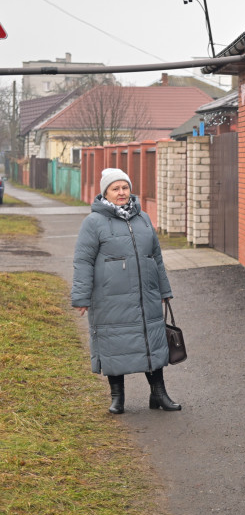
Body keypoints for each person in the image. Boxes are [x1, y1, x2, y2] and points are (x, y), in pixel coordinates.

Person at [72, 167, 181, 414]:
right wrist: (81, 296)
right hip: (109, 298)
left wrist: (165, 289)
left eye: (125, 187)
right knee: (114, 343)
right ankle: (117, 398)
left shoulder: (142, 219)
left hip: (146, 295)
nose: (122, 193)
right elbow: (83, 261)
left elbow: (156, 257)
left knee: (150, 340)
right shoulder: (93, 222)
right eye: (115, 188)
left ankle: (159, 394)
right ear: (105, 193)